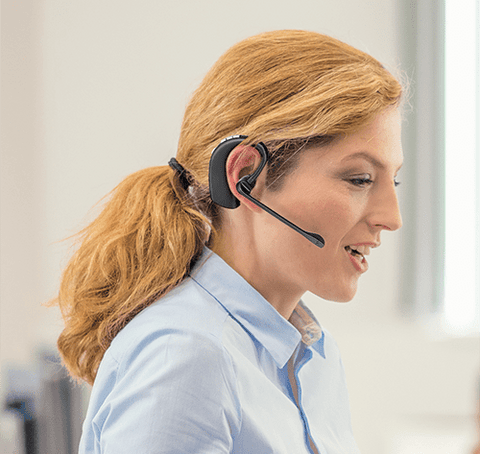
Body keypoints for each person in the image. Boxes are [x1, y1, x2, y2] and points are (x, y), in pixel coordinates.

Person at [54, 30, 404, 453]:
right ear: (246, 178)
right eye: (360, 179)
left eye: (393, 180)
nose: (391, 217)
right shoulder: (186, 357)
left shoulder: (310, 355)